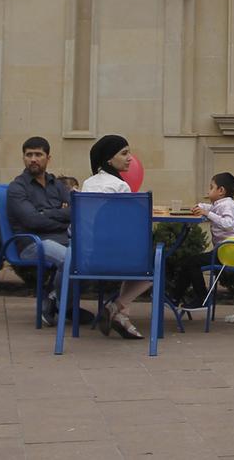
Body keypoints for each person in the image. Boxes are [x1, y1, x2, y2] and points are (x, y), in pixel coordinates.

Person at [80, 135, 147, 340]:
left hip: (86, 257)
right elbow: (127, 228)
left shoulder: (87, 183)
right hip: (113, 257)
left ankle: (122, 318)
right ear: (109, 159)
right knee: (153, 261)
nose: (130, 158)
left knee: (136, 256)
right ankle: (115, 307)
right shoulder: (120, 187)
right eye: (124, 153)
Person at [6, 137, 72, 325]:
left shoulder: (57, 185)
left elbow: (75, 211)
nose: (33, 159)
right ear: (23, 158)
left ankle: (54, 299)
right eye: (29, 155)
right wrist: (62, 218)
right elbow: (32, 220)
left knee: (88, 258)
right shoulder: (17, 187)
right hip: (33, 243)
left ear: (48, 158)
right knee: (70, 260)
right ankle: (65, 306)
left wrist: (47, 213)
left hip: (63, 239)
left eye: (38, 154)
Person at [173, 172, 234, 310]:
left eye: (211, 187)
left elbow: (228, 223)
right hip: (224, 250)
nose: (208, 191)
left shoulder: (229, 205)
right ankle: (175, 297)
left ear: (221, 191)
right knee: (189, 262)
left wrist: (207, 213)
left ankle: (202, 298)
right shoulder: (220, 204)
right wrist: (199, 206)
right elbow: (210, 208)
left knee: (192, 263)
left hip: (230, 252)